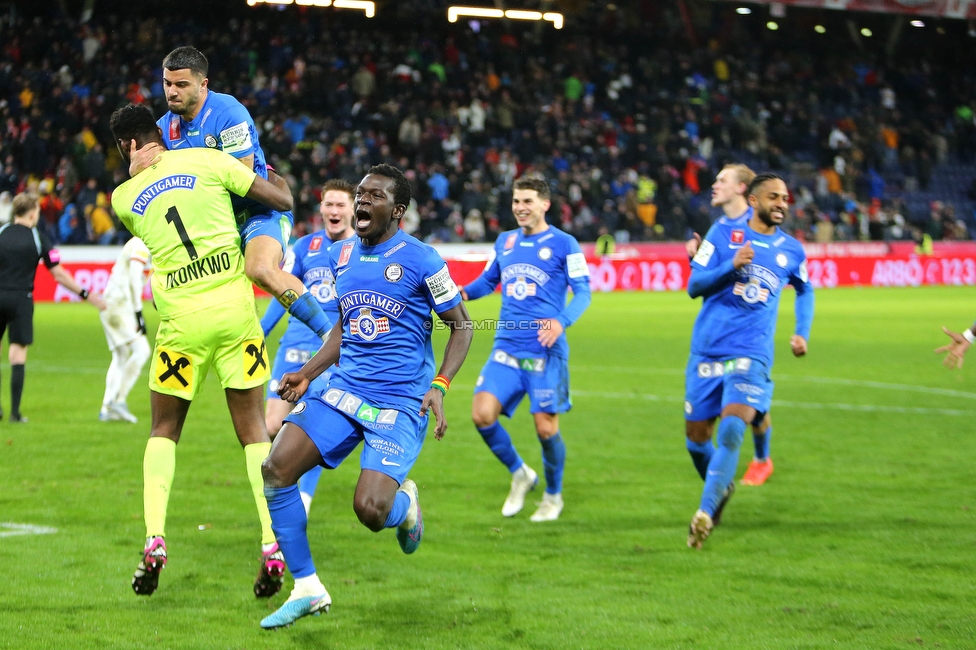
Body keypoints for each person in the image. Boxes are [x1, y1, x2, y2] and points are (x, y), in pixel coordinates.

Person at [259, 164, 473, 630]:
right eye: (360, 194)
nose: (361, 202)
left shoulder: (423, 259)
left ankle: (405, 507)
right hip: (344, 388)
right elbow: (345, 326)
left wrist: (441, 385)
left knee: (371, 511)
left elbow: (462, 324)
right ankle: (307, 587)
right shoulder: (341, 256)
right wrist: (307, 372)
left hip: (399, 401)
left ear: (397, 211)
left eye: (373, 196)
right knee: (276, 469)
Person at [108, 103, 292, 599]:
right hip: (235, 313)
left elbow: (154, 198)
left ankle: (154, 539)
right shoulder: (210, 161)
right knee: (255, 432)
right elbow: (277, 199)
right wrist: (269, 167)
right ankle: (273, 543)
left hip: (180, 325)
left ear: (128, 147)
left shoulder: (123, 198)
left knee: (164, 429)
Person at [151, 46, 333, 345]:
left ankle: (330, 336)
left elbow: (240, 179)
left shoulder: (228, 114)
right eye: (167, 83)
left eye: (181, 84)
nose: (172, 91)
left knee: (259, 269)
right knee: (164, 292)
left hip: (259, 210)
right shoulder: (164, 128)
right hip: (215, 221)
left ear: (203, 84)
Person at [684, 173, 814, 549]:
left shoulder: (792, 250)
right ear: (754, 201)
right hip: (707, 349)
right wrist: (731, 267)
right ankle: (720, 489)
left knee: (731, 429)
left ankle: (705, 512)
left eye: (786, 198)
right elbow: (694, 286)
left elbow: (805, 290)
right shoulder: (722, 235)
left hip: (752, 352)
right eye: (773, 196)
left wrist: (801, 331)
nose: (782, 203)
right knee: (697, 441)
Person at [461, 176, 592, 522]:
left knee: (546, 430)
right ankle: (520, 473)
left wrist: (561, 321)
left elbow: (584, 292)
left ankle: (553, 495)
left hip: (545, 352)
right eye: (517, 201)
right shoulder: (505, 242)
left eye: (528, 201)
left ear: (545, 204)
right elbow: (488, 281)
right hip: (506, 347)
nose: (520, 207)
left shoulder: (565, 244)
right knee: (481, 414)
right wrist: (461, 293)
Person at [260, 179, 356, 514]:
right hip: (293, 348)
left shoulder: (361, 250)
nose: (334, 211)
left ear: (353, 209)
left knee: (311, 427)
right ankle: (290, 478)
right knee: (272, 425)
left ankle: (303, 500)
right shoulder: (303, 247)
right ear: (321, 209)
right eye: (329, 204)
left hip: (330, 354)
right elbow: (281, 292)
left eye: (341, 205)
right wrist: (260, 331)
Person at [685, 163, 777, 486]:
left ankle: (761, 460)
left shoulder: (763, 228)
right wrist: (700, 262)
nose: (714, 184)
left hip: (752, 337)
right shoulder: (717, 231)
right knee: (739, 413)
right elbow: (695, 285)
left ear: (741, 188)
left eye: (721, 180)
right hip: (717, 335)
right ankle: (726, 482)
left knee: (751, 410)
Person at [0, 193, 106, 422]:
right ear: (32, 213)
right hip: (21, 299)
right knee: (17, 355)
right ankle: (15, 414)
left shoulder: (1, 232)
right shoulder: (38, 237)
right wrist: (87, 295)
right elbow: (58, 274)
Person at [98, 236, 152, 423]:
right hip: (119, 305)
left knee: (120, 355)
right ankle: (119, 399)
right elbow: (134, 279)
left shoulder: (142, 243)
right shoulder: (141, 243)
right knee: (142, 350)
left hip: (112, 303)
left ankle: (106, 408)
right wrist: (138, 312)